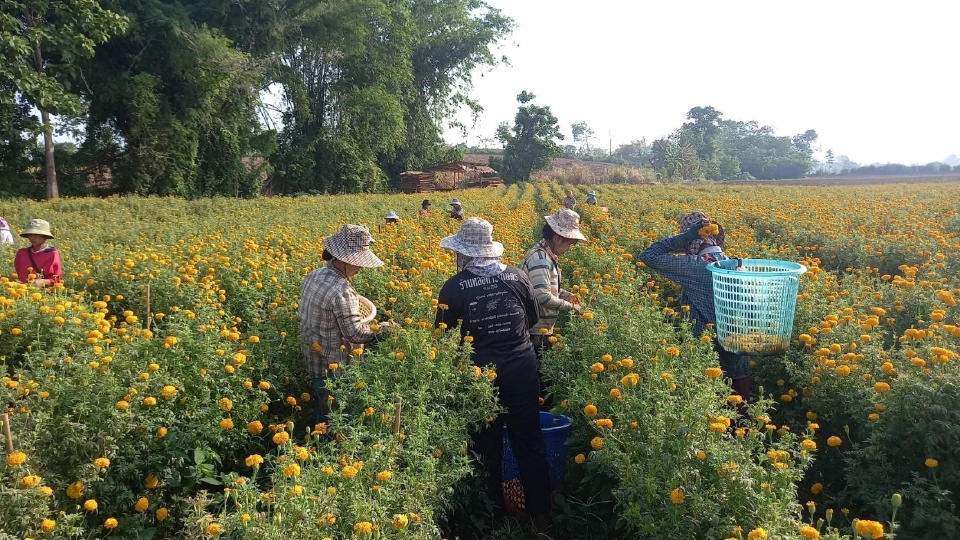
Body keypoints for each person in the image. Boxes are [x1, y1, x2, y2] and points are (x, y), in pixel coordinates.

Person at [435, 217, 552, 536]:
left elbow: (443, 336)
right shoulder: (517, 276)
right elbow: (532, 320)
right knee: (529, 443)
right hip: (521, 371)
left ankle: (493, 519)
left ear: (465, 253)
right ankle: (541, 520)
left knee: (486, 447)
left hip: (479, 377)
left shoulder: (453, 286)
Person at [637, 211, 751, 404]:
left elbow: (648, 255)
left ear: (691, 241)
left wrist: (686, 236)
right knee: (739, 421)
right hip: (738, 357)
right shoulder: (739, 265)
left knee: (705, 416)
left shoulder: (694, 265)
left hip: (702, 355)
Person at [299, 224, 387, 424]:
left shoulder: (315, 275)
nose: (361, 267)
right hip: (335, 370)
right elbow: (355, 333)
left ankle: (321, 441)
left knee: (324, 413)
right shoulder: (342, 291)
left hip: (314, 361)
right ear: (344, 259)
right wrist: (385, 329)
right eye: (359, 262)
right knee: (340, 419)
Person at [521, 209, 585, 404]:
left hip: (540, 329)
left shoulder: (545, 257)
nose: (570, 247)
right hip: (535, 331)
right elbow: (541, 295)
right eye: (570, 243)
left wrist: (564, 294)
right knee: (539, 382)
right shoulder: (540, 259)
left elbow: (542, 288)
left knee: (541, 379)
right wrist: (570, 307)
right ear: (558, 237)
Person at [14, 219, 62, 287]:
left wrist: (42, 282)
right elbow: (18, 274)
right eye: (30, 235)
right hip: (20, 291)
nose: (32, 238)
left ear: (45, 236)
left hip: (41, 293)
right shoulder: (21, 253)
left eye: (36, 235)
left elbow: (57, 280)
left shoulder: (52, 254)